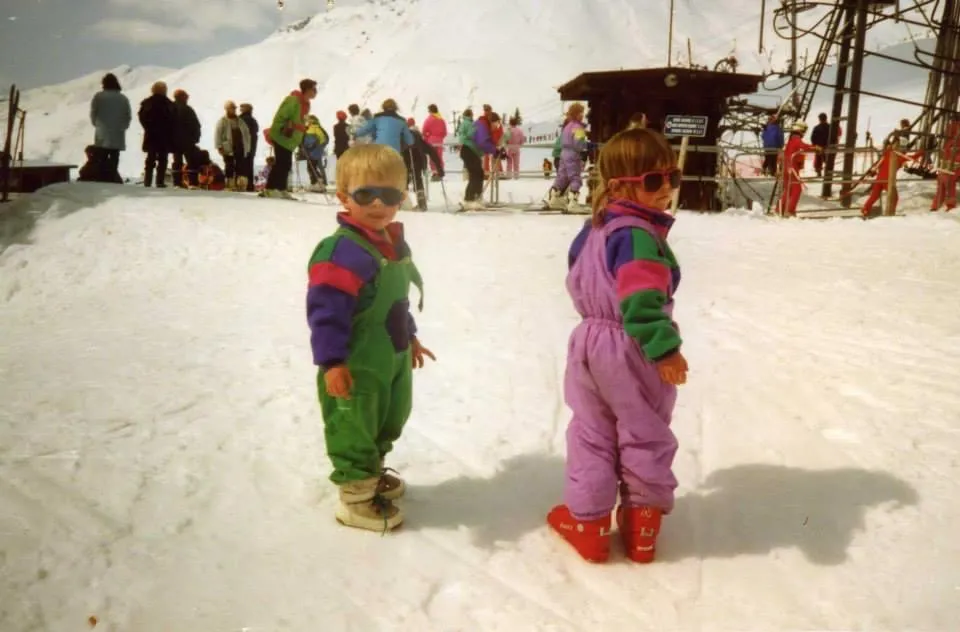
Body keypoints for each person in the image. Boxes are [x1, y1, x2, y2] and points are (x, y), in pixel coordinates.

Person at [547, 127, 687, 564]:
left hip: (588, 344)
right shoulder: (638, 236)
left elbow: (578, 276)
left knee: (592, 430)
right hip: (634, 345)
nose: (665, 189)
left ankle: (588, 524)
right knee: (642, 429)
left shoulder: (592, 229)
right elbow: (640, 298)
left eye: (672, 177)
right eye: (652, 181)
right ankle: (642, 522)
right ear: (618, 185)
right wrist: (662, 347)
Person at [305, 143, 435, 531]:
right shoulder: (342, 251)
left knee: (390, 414)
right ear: (343, 196)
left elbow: (396, 300)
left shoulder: (393, 243)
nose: (379, 204)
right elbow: (326, 312)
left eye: (390, 195)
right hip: (357, 359)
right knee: (355, 420)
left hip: (390, 354)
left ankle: (372, 470)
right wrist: (332, 363)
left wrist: (409, 336)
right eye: (366, 195)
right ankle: (356, 495)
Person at [263, 78, 317, 198]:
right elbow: (281, 116)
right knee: (282, 163)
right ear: (307, 89)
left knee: (285, 164)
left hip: (291, 139)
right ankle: (271, 189)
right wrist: (286, 127)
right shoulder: (294, 100)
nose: (315, 91)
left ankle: (280, 188)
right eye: (313, 89)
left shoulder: (305, 104)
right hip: (283, 136)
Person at [544, 102, 589, 212]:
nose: (582, 115)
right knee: (575, 177)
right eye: (581, 113)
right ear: (577, 114)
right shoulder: (578, 128)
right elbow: (578, 144)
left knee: (562, 176)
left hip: (564, 153)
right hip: (573, 154)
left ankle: (555, 198)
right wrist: (586, 146)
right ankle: (573, 202)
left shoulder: (567, 126)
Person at [860, 139, 922, 217]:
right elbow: (912, 157)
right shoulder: (899, 156)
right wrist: (921, 152)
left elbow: (881, 160)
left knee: (874, 196)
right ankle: (891, 213)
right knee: (894, 197)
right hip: (888, 180)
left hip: (879, 179)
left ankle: (865, 209)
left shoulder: (887, 153)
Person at [90, 72, 132, 182]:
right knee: (114, 157)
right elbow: (127, 115)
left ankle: (101, 178)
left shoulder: (98, 97)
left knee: (101, 157)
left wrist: (96, 124)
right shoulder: (123, 98)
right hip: (117, 132)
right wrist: (123, 126)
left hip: (102, 132)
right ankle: (112, 177)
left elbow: (93, 113)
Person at [455, 108, 497, 210]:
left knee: (478, 173)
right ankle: (470, 198)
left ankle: (475, 196)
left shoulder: (465, 123)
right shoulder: (470, 124)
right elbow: (471, 135)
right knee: (476, 173)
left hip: (468, 150)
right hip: (469, 149)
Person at [138, 81, 175, 187]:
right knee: (163, 160)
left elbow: (142, 117)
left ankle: (147, 181)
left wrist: (148, 128)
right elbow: (174, 119)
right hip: (165, 136)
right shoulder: (169, 104)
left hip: (151, 135)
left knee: (150, 159)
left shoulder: (147, 103)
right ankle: (160, 181)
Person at [779, 122, 815, 216]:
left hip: (786, 167)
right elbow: (803, 146)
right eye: (803, 131)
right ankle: (790, 210)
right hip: (792, 168)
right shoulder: (796, 139)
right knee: (797, 189)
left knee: (788, 189)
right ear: (800, 130)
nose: (804, 133)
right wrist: (815, 147)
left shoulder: (791, 139)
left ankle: (780, 209)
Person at [215, 101, 252, 191]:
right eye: (232, 108)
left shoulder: (240, 121)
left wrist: (247, 147)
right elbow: (217, 134)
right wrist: (219, 146)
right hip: (227, 147)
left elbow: (247, 134)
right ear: (227, 109)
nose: (234, 110)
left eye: (234, 108)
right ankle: (229, 185)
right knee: (229, 165)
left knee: (240, 165)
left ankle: (240, 185)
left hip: (240, 146)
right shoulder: (222, 121)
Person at [171, 89, 201, 188]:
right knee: (191, 161)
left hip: (174, 140)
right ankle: (193, 183)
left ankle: (177, 183)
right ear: (183, 97)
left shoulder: (170, 108)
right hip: (188, 141)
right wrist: (196, 137)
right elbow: (196, 125)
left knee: (177, 161)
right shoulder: (188, 109)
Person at [931, 117, 960, 212]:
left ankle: (938, 205)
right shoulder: (952, 133)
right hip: (950, 164)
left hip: (950, 163)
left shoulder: (950, 130)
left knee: (945, 182)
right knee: (947, 182)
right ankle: (946, 205)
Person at [302, 114, 330, 191]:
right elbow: (324, 139)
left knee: (311, 167)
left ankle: (317, 183)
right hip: (314, 151)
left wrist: (311, 146)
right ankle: (317, 183)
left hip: (313, 151)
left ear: (311, 121)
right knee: (312, 167)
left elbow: (318, 139)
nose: (306, 122)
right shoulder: (315, 128)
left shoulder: (313, 128)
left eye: (307, 121)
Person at [421, 104, 447, 180]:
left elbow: (424, 131)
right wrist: (440, 137)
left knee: (432, 157)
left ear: (430, 111)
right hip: (440, 141)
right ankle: (440, 171)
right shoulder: (441, 119)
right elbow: (445, 132)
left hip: (431, 141)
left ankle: (435, 173)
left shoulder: (429, 119)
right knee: (439, 157)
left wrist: (427, 138)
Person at [239, 103, 260, 192]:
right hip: (251, 148)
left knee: (241, 166)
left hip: (242, 147)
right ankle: (249, 186)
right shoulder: (253, 120)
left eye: (242, 107)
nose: (240, 109)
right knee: (249, 166)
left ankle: (242, 185)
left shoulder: (241, 120)